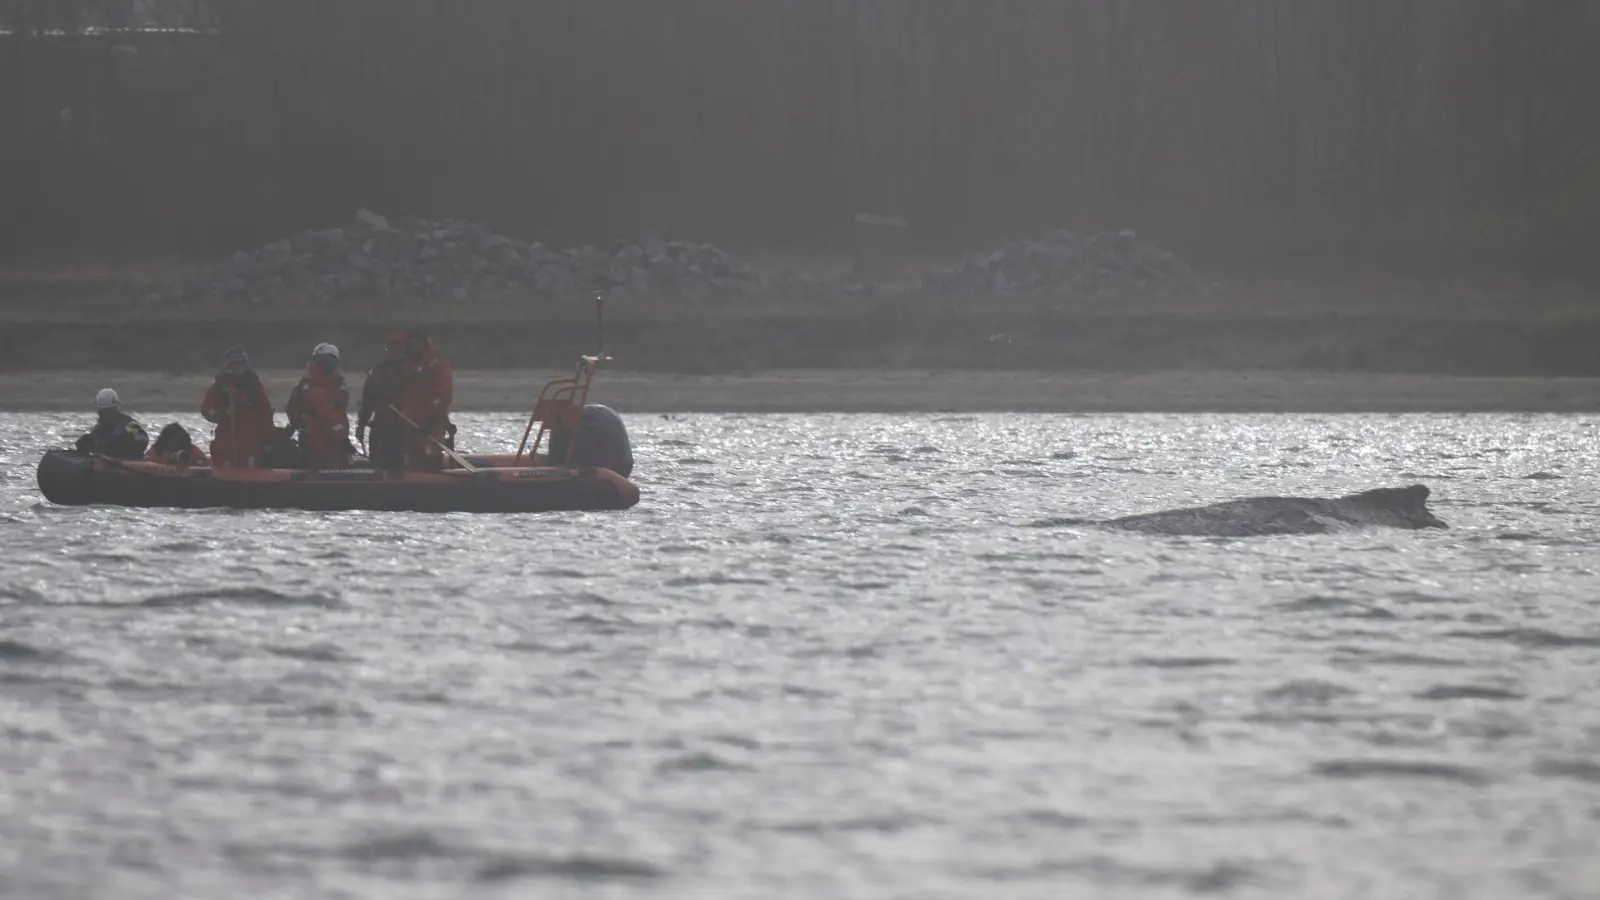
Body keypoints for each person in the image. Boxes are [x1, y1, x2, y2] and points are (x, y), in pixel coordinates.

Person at [201, 345, 275, 468]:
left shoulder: (255, 385)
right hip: (227, 439)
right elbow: (206, 409)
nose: (240, 367)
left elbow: (266, 413)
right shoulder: (220, 385)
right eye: (237, 363)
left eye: (243, 363)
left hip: (252, 439)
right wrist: (224, 413)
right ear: (230, 365)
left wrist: (269, 437)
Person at [285, 343, 352, 469]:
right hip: (319, 445)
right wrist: (341, 437)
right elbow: (327, 415)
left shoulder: (335, 384)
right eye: (323, 360)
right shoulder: (312, 387)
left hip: (333, 444)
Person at [399, 329, 453, 470]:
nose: (411, 347)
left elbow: (444, 394)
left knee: (430, 454)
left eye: (414, 344)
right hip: (409, 422)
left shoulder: (437, 363)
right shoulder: (407, 363)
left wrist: (429, 418)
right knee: (410, 458)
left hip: (431, 423)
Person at [356, 332, 406, 469]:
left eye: (397, 348)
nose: (393, 352)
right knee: (378, 459)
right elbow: (367, 401)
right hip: (381, 426)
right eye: (391, 348)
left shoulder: (412, 372)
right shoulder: (378, 371)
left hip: (405, 427)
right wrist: (361, 425)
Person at [75, 389, 149, 459]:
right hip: (104, 465)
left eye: (108, 411)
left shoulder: (129, 424)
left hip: (125, 463)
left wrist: (122, 444)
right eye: (102, 412)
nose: (105, 415)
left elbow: (143, 440)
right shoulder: (100, 430)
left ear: (115, 410)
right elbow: (83, 446)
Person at [145, 422, 210, 467]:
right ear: (165, 439)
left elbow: (204, 463)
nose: (174, 442)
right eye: (171, 438)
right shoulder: (156, 450)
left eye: (178, 439)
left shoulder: (192, 450)